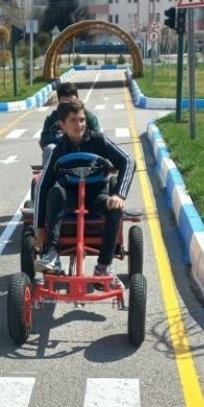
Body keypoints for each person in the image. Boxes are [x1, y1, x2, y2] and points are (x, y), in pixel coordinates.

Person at [33, 99, 135, 287]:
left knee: (115, 209)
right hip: (69, 197)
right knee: (55, 192)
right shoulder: (59, 150)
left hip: (97, 196)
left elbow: (127, 161)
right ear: (62, 125)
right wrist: (39, 226)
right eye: (73, 120)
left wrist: (119, 195)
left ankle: (103, 266)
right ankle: (53, 255)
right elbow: (42, 185)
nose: (79, 125)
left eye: (81, 120)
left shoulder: (98, 140)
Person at [39, 82, 101, 167]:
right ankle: (48, 175)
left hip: (85, 153)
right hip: (62, 154)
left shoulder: (88, 116)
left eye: (72, 101)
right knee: (50, 148)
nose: (69, 106)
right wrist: (64, 142)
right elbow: (44, 139)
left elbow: (97, 136)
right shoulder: (52, 119)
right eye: (65, 103)